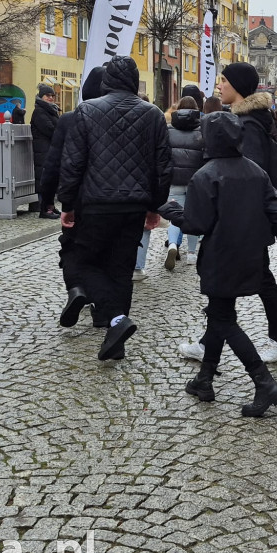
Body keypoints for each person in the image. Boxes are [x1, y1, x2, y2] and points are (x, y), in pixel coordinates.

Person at [158, 112, 277, 415]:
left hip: (221, 257)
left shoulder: (206, 175)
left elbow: (196, 224)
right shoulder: (255, 171)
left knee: (223, 320)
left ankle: (264, 382)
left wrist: (170, 210)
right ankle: (205, 379)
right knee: (221, 314)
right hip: (252, 253)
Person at [179, 62, 277, 363]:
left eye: (225, 81)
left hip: (246, 221)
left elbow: (249, 177)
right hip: (247, 221)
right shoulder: (248, 119)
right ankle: (210, 344)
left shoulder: (248, 125)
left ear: (239, 86)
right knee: (238, 285)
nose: (220, 86)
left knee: (256, 282)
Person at [58, 56, 172, 361]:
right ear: (134, 82)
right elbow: (162, 168)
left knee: (83, 263)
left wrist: (67, 204)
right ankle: (116, 341)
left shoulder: (86, 110)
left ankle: (117, 321)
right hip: (133, 205)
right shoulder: (153, 115)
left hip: (96, 202)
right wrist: (154, 206)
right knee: (121, 269)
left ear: (107, 80)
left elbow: (73, 163)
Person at [46, 66, 107, 331]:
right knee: (105, 251)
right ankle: (100, 305)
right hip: (109, 195)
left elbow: (54, 162)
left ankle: (76, 289)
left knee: (70, 246)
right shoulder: (120, 116)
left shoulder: (69, 118)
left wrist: (47, 198)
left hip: (77, 196)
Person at [164, 96, 203, 270]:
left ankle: (172, 245)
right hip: (196, 181)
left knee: (174, 216)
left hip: (175, 179)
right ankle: (192, 254)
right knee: (194, 216)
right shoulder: (203, 130)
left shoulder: (169, 130)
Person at [31, 84, 61, 219]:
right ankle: (44, 208)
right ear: (41, 96)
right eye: (47, 95)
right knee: (44, 179)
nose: (50, 98)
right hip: (43, 150)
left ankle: (50, 206)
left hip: (50, 150)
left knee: (52, 179)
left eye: (52, 96)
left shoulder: (51, 110)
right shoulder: (39, 111)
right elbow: (49, 130)